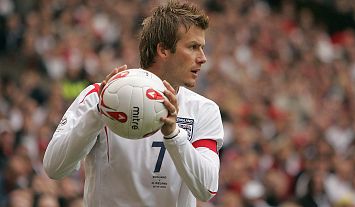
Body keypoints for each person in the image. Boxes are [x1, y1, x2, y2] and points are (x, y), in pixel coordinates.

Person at [43, 1, 224, 206]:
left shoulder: (204, 110)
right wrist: (97, 114)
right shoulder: (98, 97)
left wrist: (174, 135)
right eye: (193, 47)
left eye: (202, 48)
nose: (203, 58)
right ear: (163, 49)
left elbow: (207, 189)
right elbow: (54, 168)